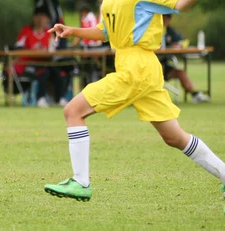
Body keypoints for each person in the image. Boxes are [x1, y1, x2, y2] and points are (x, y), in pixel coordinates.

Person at [44, 0, 225, 202]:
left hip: (136, 68)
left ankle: (81, 182)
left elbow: (179, 5)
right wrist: (72, 31)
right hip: (140, 69)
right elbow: (105, 32)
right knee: (175, 137)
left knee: (73, 111)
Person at [161, 14, 209, 103]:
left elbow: (184, 41)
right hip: (151, 65)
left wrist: (179, 45)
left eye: (167, 18)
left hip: (164, 65)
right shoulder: (152, 29)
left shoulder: (169, 31)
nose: (165, 21)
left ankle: (195, 95)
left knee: (181, 73)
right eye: (164, 18)